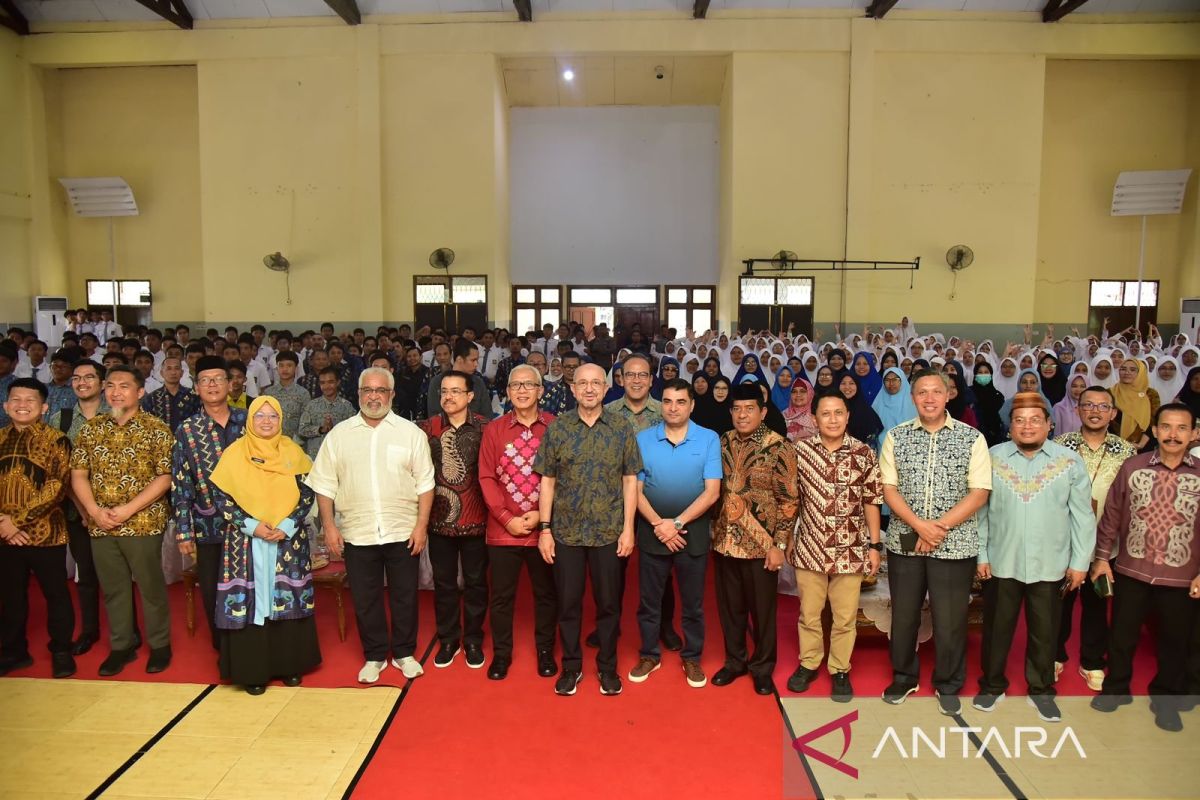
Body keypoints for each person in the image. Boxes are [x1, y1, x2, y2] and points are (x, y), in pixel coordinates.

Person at [306, 367, 435, 684]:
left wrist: (421, 527)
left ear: (391, 395)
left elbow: (426, 485)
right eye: (367, 390)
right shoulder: (340, 435)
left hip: (402, 530)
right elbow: (324, 484)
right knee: (366, 598)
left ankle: (404, 653)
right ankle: (375, 655)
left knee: (405, 595)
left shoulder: (410, 433)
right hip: (357, 531)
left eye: (380, 391)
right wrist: (329, 526)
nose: (373, 396)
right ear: (359, 394)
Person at [972, 393, 1095, 722]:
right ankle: (992, 685)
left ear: (1049, 424)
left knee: (1045, 631)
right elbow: (979, 513)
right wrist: (981, 554)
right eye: (1020, 420)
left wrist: (1080, 562)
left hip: (1051, 565)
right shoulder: (992, 458)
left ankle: (1041, 690)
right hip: (1001, 561)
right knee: (997, 628)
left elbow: (1082, 517)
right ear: (1010, 425)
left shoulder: (1069, 462)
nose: (1027, 426)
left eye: (1035, 420)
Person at [879, 370, 991, 714]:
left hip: (954, 543)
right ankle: (903, 677)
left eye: (936, 392)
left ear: (948, 395)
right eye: (922, 392)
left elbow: (980, 492)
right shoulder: (896, 437)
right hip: (905, 542)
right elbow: (888, 489)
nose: (929, 398)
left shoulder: (972, 438)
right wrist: (918, 526)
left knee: (950, 617)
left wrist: (937, 528)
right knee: (905, 614)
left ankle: (948, 682)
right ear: (913, 398)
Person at [1090, 403, 1200, 732]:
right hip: (1131, 570)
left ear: (1194, 434)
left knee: (1174, 641)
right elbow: (1112, 516)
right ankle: (1116, 689)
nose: (1173, 434)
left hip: (1180, 577)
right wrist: (1101, 559)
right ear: (1154, 430)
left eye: (1182, 428)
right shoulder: (1133, 467)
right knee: (1122, 635)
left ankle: (1165, 700)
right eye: (1166, 427)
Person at [535, 362, 642, 697]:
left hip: (609, 532)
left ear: (608, 387)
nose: (590, 389)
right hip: (566, 532)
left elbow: (630, 480)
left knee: (608, 604)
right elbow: (547, 482)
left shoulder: (621, 427)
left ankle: (608, 668)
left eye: (597, 383)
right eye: (583, 383)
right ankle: (571, 667)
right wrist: (545, 529)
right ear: (572, 388)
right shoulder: (558, 428)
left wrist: (628, 529)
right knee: (568, 604)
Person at [209, 396, 321, 694]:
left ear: (281, 419)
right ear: (250, 420)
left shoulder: (292, 452)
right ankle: (253, 671)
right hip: (244, 542)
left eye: (273, 416)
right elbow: (221, 498)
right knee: (251, 602)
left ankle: (289, 665)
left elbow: (308, 493)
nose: (267, 421)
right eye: (260, 416)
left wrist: (287, 525)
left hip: (287, 542)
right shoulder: (235, 454)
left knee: (287, 601)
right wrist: (251, 525)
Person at [69, 365, 175, 676]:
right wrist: (93, 511)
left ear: (140, 392)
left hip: (142, 522)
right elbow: (78, 474)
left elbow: (164, 477)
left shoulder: (156, 428)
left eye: (124, 386)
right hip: (101, 522)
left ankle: (160, 645)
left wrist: (128, 510)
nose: (116, 391)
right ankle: (122, 646)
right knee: (113, 588)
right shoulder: (91, 429)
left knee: (150, 586)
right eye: (111, 385)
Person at [787, 392, 883, 701]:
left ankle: (840, 669)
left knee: (844, 617)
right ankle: (809, 663)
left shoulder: (863, 454)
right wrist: (787, 538)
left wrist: (874, 545)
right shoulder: (799, 452)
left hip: (851, 548)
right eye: (825, 413)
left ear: (847, 416)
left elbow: (872, 500)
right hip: (810, 546)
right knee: (809, 613)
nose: (832, 419)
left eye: (838, 413)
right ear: (814, 418)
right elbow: (791, 501)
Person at [628, 379, 722, 689]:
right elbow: (634, 489)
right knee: (649, 601)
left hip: (691, 532)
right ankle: (648, 654)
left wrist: (676, 523)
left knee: (693, 602)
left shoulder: (708, 439)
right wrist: (659, 524)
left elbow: (711, 493)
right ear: (661, 404)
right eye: (667, 401)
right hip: (652, 530)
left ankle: (692, 657)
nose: (673, 407)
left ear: (692, 405)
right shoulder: (643, 439)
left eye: (680, 401)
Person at [711, 382, 799, 696]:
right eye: (737, 408)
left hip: (761, 547)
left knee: (762, 612)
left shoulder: (779, 446)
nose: (742, 414)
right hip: (724, 542)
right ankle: (735, 662)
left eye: (750, 408)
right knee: (730, 609)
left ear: (762, 412)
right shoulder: (723, 442)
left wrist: (779, 546)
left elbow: (789, 501)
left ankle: (762, 667)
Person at [1053, 386, 1137, 691]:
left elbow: (1131, 497)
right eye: (1088, 405)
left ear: (1113, 413)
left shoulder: (1126, 451)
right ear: (1078, 411)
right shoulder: (1060, 446)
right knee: (1058, 603)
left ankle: (1091, 661)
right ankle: (1054, 655)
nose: (1095, 411)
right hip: (1064, 540)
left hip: (1106, 543)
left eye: (1103, 406)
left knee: (1097, 605)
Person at [478, 364, 558, 680]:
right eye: (515, 385)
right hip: (503, 530)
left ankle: (545, 652)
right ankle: (501, 655)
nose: (522, 390)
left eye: (529, 385)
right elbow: (485, 476)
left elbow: (563, 475)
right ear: (508, 392)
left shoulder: (556, 427)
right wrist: (505, 517)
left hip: (544, 530)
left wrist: (542, 516)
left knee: (547, 595)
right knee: (501, 597)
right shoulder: (494, 430)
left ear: (541, 391)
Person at [0, 378, 76, 678]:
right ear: (6, 405)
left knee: (56, 594)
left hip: (46, 533)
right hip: (4, 535)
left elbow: (57, 486)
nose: (22, 405)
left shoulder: (56, 439)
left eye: (30, 400)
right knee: (11, 596)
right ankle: (13, 651)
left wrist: (15, 521)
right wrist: (3, 524)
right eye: (16, 399)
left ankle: (61, 651)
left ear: (44, 407)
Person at [171, 356, 248, 651]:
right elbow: (181, 482)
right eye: (205, 380)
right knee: (214, 592)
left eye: (218, 379)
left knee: (250, 588)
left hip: (252, 525)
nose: (212, 385)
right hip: (208, 525)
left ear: (231, 385)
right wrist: (184, 531)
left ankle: (249, 649)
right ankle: (223, 651)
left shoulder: (249, 422)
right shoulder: (187, 429)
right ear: (197, 387)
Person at [601, 353, 677, 649]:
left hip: (655, 500)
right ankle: (610, 625)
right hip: (614, 501)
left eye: (642, 375)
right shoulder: (607, 412)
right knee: (611, 571)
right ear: (620, 378)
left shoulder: (665, 411)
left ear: (651, 379)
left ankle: (664, 626)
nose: (635, 380)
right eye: (629, 375)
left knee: (661, 569)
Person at [420, 370, 490, 669]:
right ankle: (448, 638)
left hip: (477, 520)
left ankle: (473, 639)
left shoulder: (487, 428)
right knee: (444, 584)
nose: (448, 397)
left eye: (455, 391)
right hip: (439, 521)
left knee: (476, 583)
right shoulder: (427, 428)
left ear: (470, 396)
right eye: (444, 391)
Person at [48, 360, 113, 655]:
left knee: (117, 576)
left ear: (102, 383)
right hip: (78, 515)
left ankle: (125, 632)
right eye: (76, 378)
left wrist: (105, 510)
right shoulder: (59, 420)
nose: (82, 382)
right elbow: (58, 471)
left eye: (89, 377)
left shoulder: (119, 415)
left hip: (116, 512)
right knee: (86, 576)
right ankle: (89, 630)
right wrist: (86, 509)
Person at [298, 367, 356, 459]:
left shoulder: (347, 407)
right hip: (315, 458)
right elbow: (302, 430)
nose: (326, 386)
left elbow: (354, 432)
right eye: (322, 383)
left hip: (339, 457)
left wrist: (336, 428)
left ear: (338, 382)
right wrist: (321, 429)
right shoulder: (311, 406)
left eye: (331, 382)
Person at [425, 339, 491, 420]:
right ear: (459, 359)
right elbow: (434, 416)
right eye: (473, 360)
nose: (476, 364)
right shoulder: (438, 382)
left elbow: (487, 416)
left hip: (477, 430)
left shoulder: (478, 382)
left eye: (477, 360)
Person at [140, 355, 201, 433]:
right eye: (169, 368)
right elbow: (145, 425)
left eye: (177, 368)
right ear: (162, 373)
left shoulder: (193, 396)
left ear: (182, 373)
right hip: (161, 443)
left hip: (188, 441)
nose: (173, 372)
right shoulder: (151, 398)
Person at [1110, 358, 1159, 450]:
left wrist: (1141, 444)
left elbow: (1154, 421)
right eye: (1123, 369)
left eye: (1132, 370)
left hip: (1144, 446)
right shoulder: (1110, 393)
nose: (1127, 372)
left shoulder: (1150, 394)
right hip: (1114, 445)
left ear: (1140, 373)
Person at [264, 351, 310, 441]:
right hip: (270, 442)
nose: (285, 369)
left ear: (296, 369)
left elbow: (305, 423)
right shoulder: (268, 393)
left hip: (294, 444)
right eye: (281, 366)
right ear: (277, 368)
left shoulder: (303, 394)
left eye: (289, 365)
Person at [783, 378, 817, 442]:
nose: (798, 395)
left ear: (810, 393)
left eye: (803, 391)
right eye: (794, 391)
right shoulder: (783, 415)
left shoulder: (816, 416)